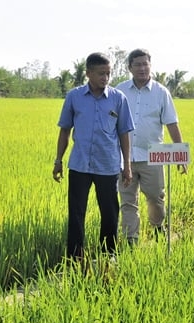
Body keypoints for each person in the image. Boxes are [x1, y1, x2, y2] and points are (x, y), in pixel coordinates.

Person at [52, 52, 134, 259]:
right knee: (76, 212)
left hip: (108, 165)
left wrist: (127, 166)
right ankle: (74, 257)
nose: (105, 78)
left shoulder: (118, 99)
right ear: (88, 73)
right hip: (79, 165)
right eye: (100, 74)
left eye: (108, 74)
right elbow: (65, 130)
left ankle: (108, 255)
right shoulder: (74, 97)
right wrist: (58, 160)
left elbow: (124, 133)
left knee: (109, 212)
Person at [115, 48, 186, 246]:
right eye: (137, 64)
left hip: (152, 155)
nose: (142, 68)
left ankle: (157, 227)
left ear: (150, 65)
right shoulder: (119, 90)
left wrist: (180, 154)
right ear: (129, 67)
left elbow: (171, 123)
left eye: (145, 64)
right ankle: (131, 239)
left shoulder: (161, 92)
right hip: (124, 156)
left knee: (156, 196)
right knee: (128, 200)